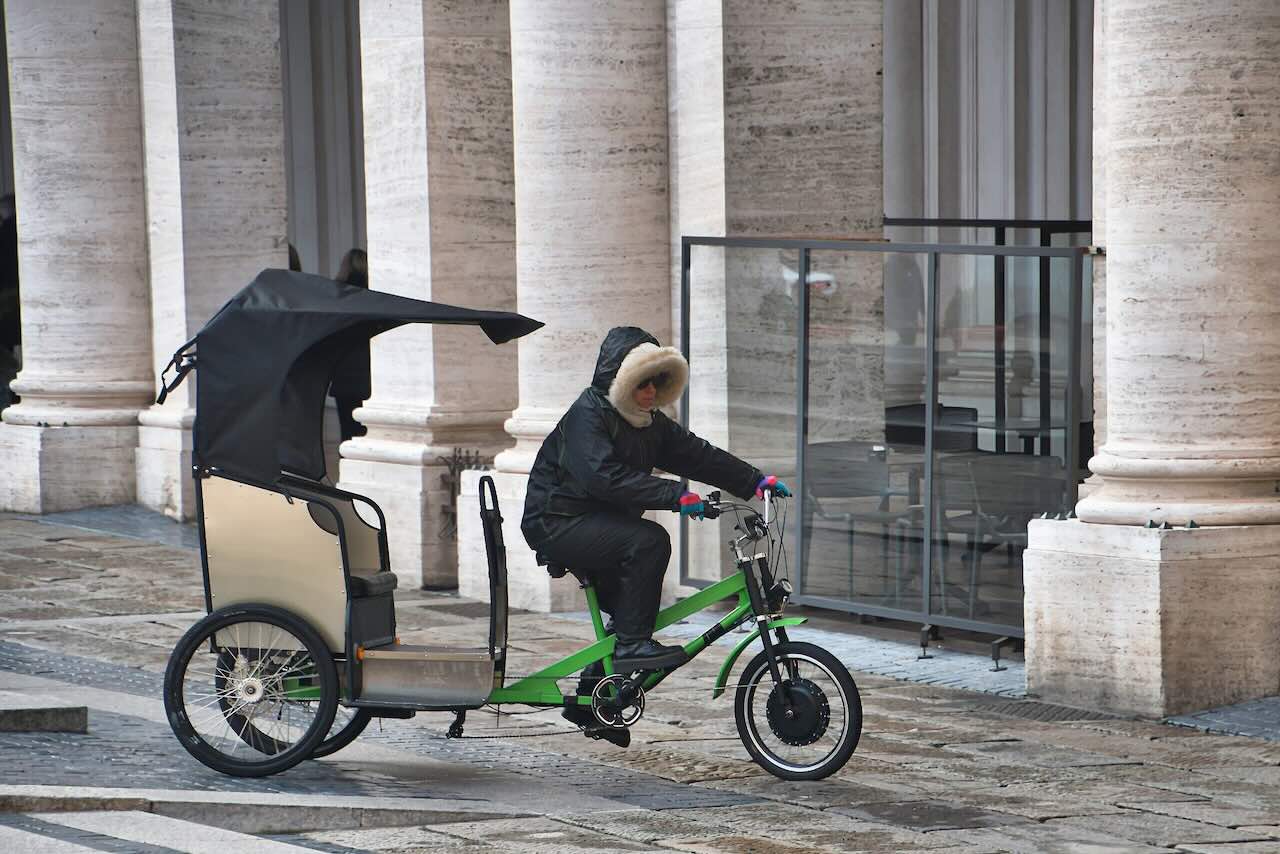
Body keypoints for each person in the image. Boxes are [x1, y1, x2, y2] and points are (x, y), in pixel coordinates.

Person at [521, 326, 790, 744]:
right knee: (648, 541)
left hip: (599, 520)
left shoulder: (648, 422)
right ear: (621, 382)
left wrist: (755, 481)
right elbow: (602, 476)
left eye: (656, 384)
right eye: (642, 384)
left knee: (632, 600)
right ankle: (631, 647)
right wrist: (675, 495)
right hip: (556, 521)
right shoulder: (587, 415)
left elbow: (696, 454)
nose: (650, 393)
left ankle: (596, 701)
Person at [329, 249, 370, 441]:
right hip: (371, 374)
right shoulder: (376, 297)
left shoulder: (337, 299)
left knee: (347, 432)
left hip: (345, 373)